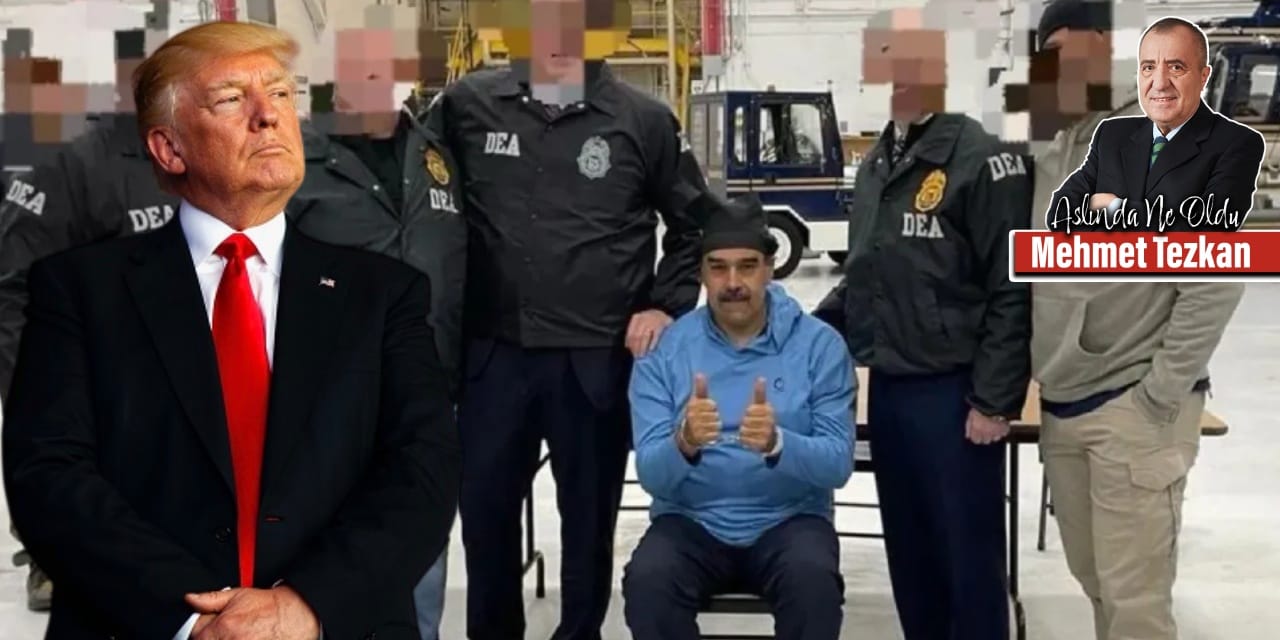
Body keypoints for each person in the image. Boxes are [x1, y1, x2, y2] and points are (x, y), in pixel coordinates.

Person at [0, 22, 468, 637]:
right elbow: (49, 477)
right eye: (230, 99)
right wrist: (190, 619)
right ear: (169, 148)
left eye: (280, 94)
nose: (268, 116)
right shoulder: (79, 293)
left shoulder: (383, 296)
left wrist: (305, 606)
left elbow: (422, 472)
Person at [425, 1, 710, 637]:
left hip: (594, 362)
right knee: (486, 516)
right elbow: (418, 188)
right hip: (493, 356)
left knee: (588, 522)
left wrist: (664, 303)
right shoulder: (467, 106)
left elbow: (695, 225)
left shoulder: (643, 121)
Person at [1030, 7, 1260, 639]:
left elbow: (1214, 280)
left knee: (1135, 601)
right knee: (1094, 579)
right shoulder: (1059, 145)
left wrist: (1159, 393)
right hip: (1065, 401)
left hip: (1132, 406)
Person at [813, 7, 1032, 639]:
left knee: (967, 557)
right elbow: (867, 274)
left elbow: (1012, 287)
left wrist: (994, 400)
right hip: (889, 390)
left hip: (955, 395)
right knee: (910, 554)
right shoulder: (878, 164)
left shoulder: (982, 160)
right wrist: (800, 333)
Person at [622, 194, 855, 640]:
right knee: (648, 583)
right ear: (701, 273)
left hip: (790, 520)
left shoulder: (819, 346)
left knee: (813, 587)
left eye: (747, 266)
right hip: (690, 521)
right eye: (718, 267)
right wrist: (684, 442)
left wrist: (779, 443)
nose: (733, 282)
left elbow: (837, 464)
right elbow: (651, 474)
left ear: (770, 268)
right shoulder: (665, 350)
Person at [1044, 15, 1265, 232]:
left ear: (1203, 76)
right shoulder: (1112, 135)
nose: (1159, 83)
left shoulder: (1238, 143)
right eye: (1149, 68)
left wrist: (1113, 207)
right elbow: (1060, 215)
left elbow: (1209, 230)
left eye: (1176, 67)